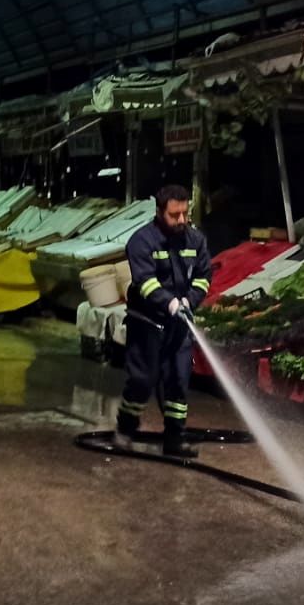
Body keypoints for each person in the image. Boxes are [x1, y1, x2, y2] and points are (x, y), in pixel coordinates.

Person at [117, 185, 212, 458]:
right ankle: (125, 429)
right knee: (143, 379)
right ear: (159, 213)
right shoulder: (141, 241)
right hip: (147, 322)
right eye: (174, 215)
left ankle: (174, 438)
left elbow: (204, 276)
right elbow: (144, 281)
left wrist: (189, 301)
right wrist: (168, 302)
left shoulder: (195, 241)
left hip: (178, 324)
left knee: (178, 380)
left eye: (185, 214)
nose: (181, 220)